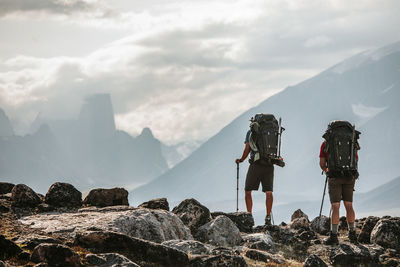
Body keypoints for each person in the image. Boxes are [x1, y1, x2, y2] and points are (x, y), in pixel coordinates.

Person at [319, 141, 358, 245]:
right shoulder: (351, 140)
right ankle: (352, 234)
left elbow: (322, 163)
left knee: (335, 206)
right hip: (349, 176)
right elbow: (356, 159)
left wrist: (327, 170)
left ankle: (334, 236)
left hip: (334, 176)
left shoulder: (327, 142)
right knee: (349, 205)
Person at [236, 130, 275, 225]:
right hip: (269, 164)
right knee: (268, 192)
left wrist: (241, 160)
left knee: (248, 191)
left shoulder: (251, 132)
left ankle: (249, 216)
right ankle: (268, 216)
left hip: (255, 165)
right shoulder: (272, 131)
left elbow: (247, 148)